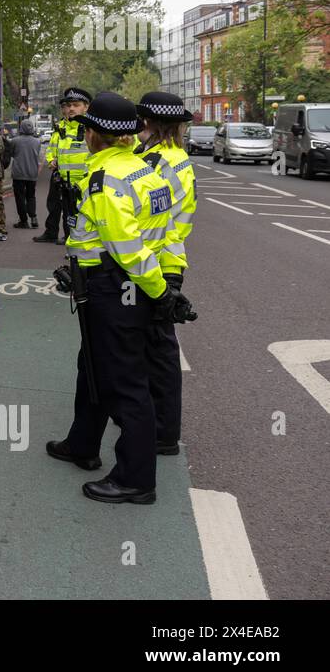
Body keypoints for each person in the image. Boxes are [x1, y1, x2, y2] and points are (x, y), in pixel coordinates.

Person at [45, 92, 187, 504]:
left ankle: (136, 478)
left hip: (114, 288)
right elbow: (161, 235)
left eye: (86, 129)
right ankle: (82, 443)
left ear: (95, 134)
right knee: (92, 366)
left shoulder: (106, 179)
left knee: (124, 382)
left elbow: (128, 248)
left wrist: (160, 293)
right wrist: (166, 288)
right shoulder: (145, 170)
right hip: (126, 287)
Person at [135, 91, 197, 456]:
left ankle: (163, 431)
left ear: (149, 122)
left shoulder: (160, 161)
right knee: (150, 345)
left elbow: (147, 214)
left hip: (160, 261)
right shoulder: (171, 157)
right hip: (165, 257)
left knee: (159, 351)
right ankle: (152, 419)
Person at [34, 88, 92, 243]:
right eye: (69, 105)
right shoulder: (61, 127)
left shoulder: (91, 128)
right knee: (66, 215)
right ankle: (69, 242)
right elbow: (52, 148)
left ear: (85, 107)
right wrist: (52, 159)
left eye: (76, 105)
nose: (71, 108)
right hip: (64, 180)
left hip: (85, 182)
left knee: (84, 217)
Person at [10, 119, 43, 228]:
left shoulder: (14, 141)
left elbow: (12, 154)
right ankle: (33, 217)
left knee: (20, 197)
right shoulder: (37, 141)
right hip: (32, 172)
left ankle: (23, 220)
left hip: (19, 172)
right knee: (31, 196)